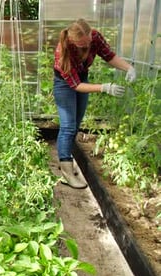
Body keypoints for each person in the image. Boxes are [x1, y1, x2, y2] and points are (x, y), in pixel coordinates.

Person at [53, 18, 136, 189]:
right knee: (68, 126)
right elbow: (75, 85)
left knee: (75, 125)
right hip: (64, 83)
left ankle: (67, 159)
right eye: (83, 44)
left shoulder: (94, 37)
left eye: (89, 39)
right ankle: (66, 171)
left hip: (82, 78)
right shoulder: (63, 52)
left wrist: (129, 67)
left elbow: (108, 55)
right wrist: (104, 87)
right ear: (74, 41)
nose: (88, 43)